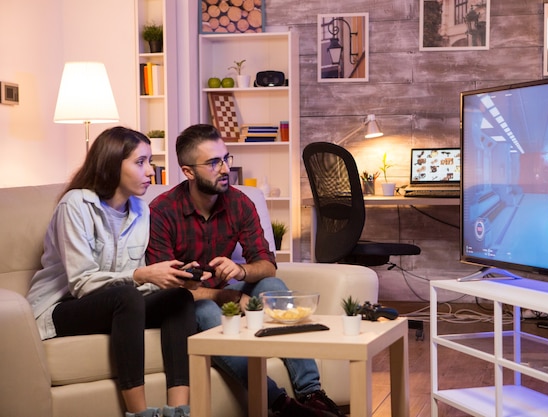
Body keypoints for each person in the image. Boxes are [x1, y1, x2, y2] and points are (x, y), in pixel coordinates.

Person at [146, 124, 344, 417]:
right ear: (188, 172)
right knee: (209, 314)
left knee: (274, 290)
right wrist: (226, 295)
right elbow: (170, 288)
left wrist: (240, 270)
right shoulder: (161, 211)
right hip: (190, 301)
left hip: (230, 289)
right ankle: (280, 404)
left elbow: (267, 266)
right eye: (214, 163)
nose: (225, 168)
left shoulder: (240, 202)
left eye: (226, 158)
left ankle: (312, 393)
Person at [26, 127, 199, 417]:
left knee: (178, 298)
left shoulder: (141, 211)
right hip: (61, 308)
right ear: (112, 163)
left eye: (150, 162)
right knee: (127, 295)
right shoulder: (76, 205)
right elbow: (81, 284)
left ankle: (179, 410)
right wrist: (143, 275)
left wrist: (171, 276)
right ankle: (140, 413)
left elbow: (132, 280)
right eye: (140, 162)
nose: (151, 172)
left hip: (114, 304)